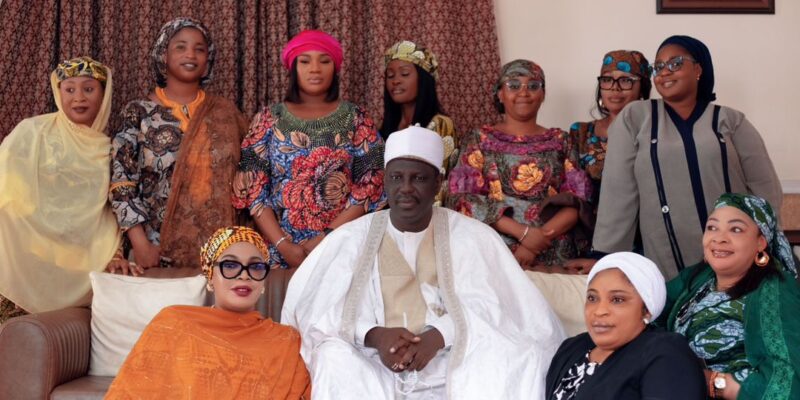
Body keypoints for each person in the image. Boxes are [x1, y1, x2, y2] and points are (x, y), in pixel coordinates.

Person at [282, 126, 565, 399]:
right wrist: (375, 335)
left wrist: (439, 336)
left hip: (449, 358)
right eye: (396, 178)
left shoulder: (471, 236)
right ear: (385, 181)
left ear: (437, 184)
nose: (405, 188)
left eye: (418, 178)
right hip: (372, 363)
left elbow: (493, 305)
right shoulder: (350, 238)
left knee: (513, 356)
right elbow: (319, 310)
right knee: (335, 359)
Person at [592, 35, 783, 279]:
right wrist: (606, 258)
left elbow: (765, 189)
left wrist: (769, 243)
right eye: (658, 67)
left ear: (698, 69)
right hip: (667, 262)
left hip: (736, 258)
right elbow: (618, 194)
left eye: (675, 63)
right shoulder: (636, 118)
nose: (664, 72)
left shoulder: (731, 121)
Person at [233, 30, 385, 270]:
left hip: (342, 248)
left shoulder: (356, 118)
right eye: (305, 61)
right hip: (278, 252)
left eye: (324, 61)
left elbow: (372, 183)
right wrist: (284, 245)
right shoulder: (268, 118)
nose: (315, 68)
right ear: (293, 68)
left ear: (335, 68)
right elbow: (253, 187)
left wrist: (326, 238)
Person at [110, 17, 249, 272]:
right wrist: (140, 244)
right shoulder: (139, 112)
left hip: (220, 254)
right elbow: (122, 181)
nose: (191, 55)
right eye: (181, 47)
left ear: (208, 58)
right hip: (155, 251)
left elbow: (250, 167)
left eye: (199, 49)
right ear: (163, 54)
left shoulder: (225, 112)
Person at [106, 226, 311, 399]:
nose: (244, 275)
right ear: (211, 277)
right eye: (230, 265)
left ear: (263, 281)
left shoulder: (286, 341)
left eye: (255, 267)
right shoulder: (174, 323)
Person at [0, 57, 123, 323]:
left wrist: (115, 253)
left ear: (104, 94)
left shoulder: (110, 151)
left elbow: (110, 213)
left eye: (89, 89)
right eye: (69, 89)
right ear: (58, 93)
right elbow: (6, 189)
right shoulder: (32, 132)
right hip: (23, 254)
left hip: (76, 264)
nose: (79, 98)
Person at [447, 59, 592, 268]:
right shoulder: (480, 139)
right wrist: (522, 233)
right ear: (500, 94)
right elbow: (462, 199)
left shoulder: (561, 140)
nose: (524, 92)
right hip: (495, 249)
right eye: (514, 85)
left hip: (553, 250)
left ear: (542, 95)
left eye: (533, 86)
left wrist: (537, 241)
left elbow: (577, 202)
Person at [659, 193, 799, 399]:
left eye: (736, 229)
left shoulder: (774, 290)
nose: (719, 237)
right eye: (712, 227)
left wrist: (715, 382)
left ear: (760, 242)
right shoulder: (698, 278)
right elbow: (648, 308)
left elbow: (787, 377)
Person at [546, 252, 706, 400]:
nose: (599, 311)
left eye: (617, 300)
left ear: (647, 310)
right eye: (592, 298)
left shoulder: (665, 352)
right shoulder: (571, 348)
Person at [569, 50, 651, 228]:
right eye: (607, 80)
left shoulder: (654, 133)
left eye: (626, 80)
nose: (615, 88)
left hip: (644, 231)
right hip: (592, 229)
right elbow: (573, 191)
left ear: (642, 88)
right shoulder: (581, 132)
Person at [381, 40, 456, 204]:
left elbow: (440, 185)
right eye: (390, 76)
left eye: (405, 74)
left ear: (423, 79)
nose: (396, 81)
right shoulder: (386, 128)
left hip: (423, 215)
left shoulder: (440, 124)